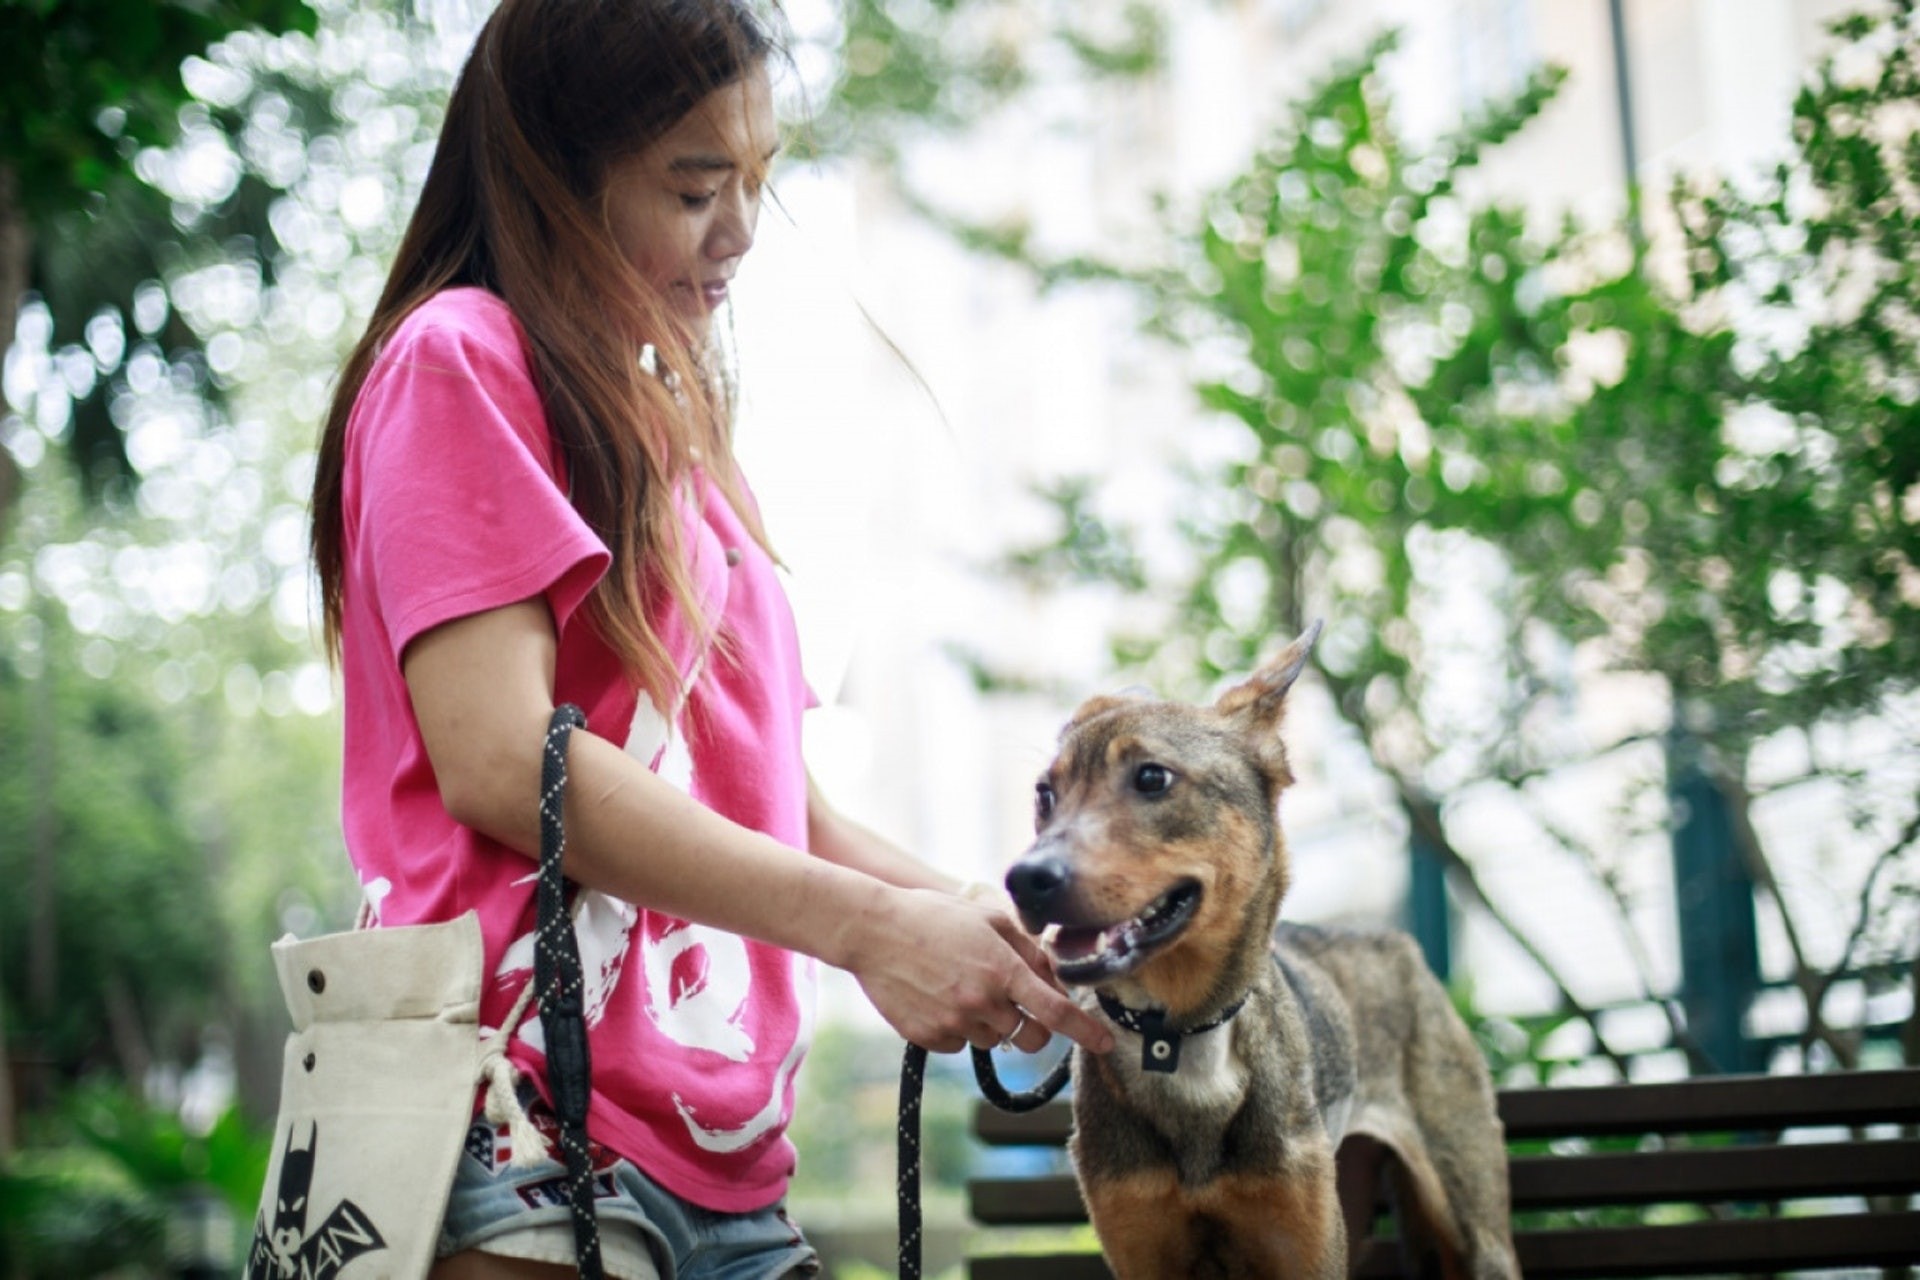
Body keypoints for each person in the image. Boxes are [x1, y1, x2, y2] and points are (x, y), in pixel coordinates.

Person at [305, 0, 1112, 1276]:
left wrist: (984, 928)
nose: (739, 233)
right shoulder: (460, 359)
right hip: (521, 1133)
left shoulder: (678, 428)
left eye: (756, 182)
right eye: (694, 188)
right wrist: (866, 931)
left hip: (732, 1165)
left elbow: (786, 809)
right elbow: (503, 756)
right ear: (558, 170)